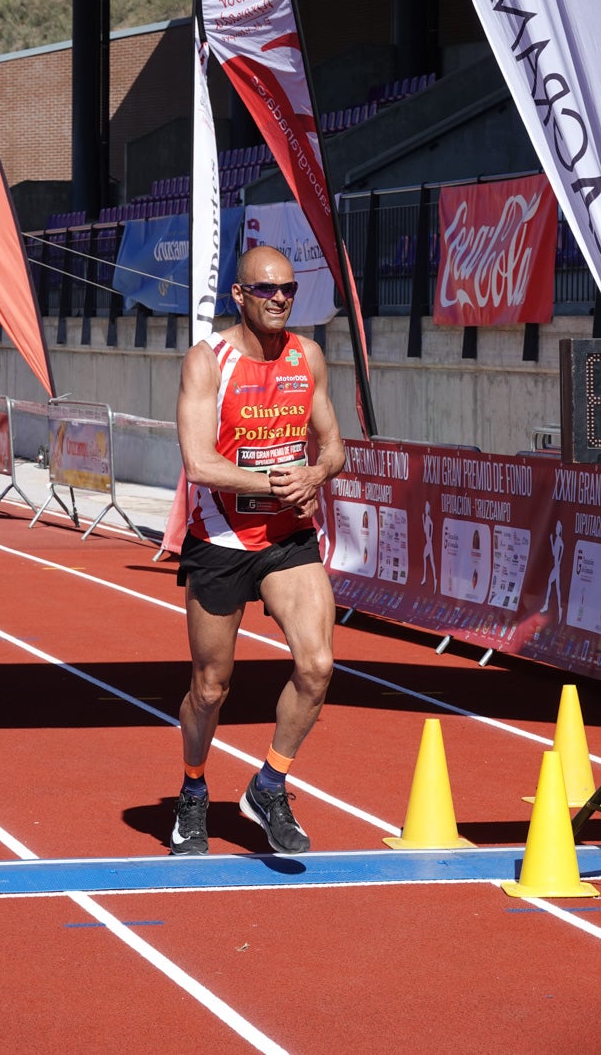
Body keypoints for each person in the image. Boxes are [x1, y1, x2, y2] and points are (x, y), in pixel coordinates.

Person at [171, 245, 346, 856]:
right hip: (218, 539)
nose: (279, 299)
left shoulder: (308, 357)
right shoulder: (207, 361)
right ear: (239, 296)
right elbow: (200, 464)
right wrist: (281, 478)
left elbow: (334, 446)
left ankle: (269, 784)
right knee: (211, 688)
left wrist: (316, 474)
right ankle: (193, 792)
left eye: (288, 290)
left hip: (286, 538)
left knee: (317, 665)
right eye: (266, 290)